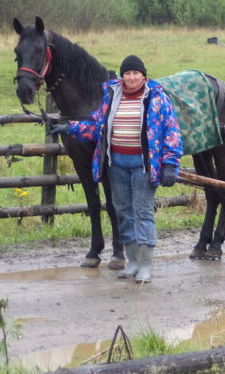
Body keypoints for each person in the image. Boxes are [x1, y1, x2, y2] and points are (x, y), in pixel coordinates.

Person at [51, 55, 183, 283]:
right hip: (116, 165)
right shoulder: (111, 97)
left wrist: (170, 164)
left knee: (142, 213)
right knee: (123, 213)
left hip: (143, 165)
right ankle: (132, 262)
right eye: (127, 73)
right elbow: (96, 126)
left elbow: (171, 131)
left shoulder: (157, 98)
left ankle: (146, 265)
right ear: (122, 76)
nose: (131, 77)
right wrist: (71, 127)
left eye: (136, 73)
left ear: (144, 76)